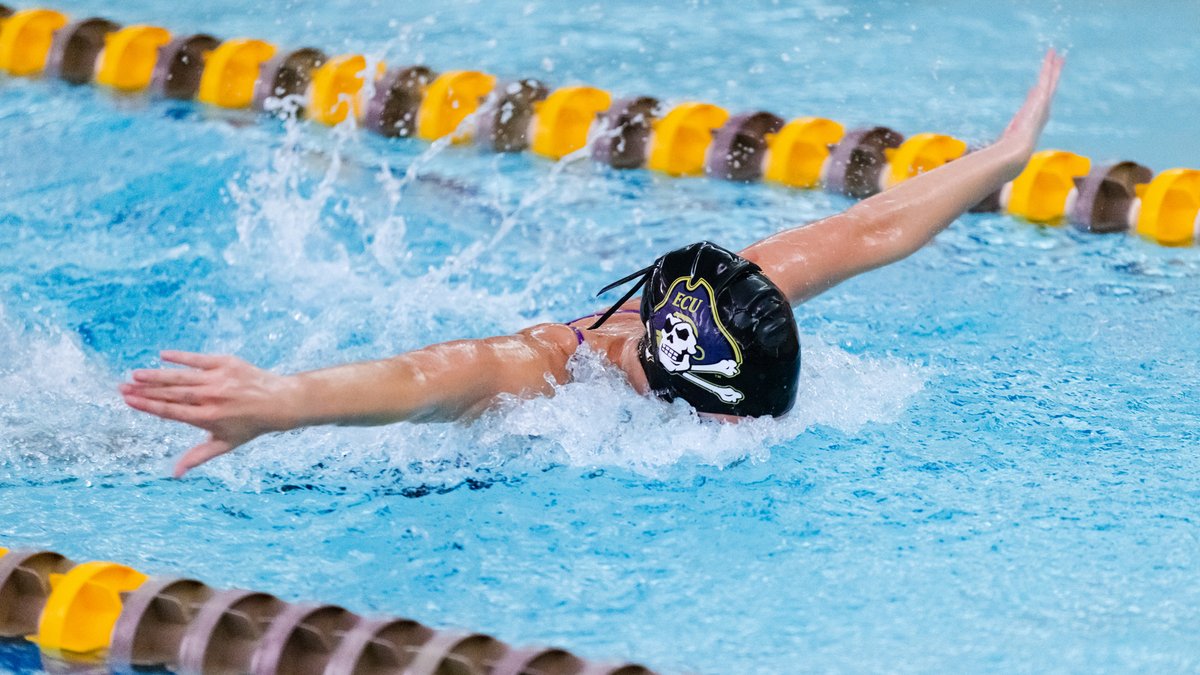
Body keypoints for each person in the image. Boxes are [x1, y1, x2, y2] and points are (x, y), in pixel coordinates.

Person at [121, 50, 1065, 478]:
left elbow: (869, 230)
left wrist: (1006, 156)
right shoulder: (546, 372)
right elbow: (428, 376)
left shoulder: (709, 309)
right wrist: (280, 403)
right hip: (352, 463)